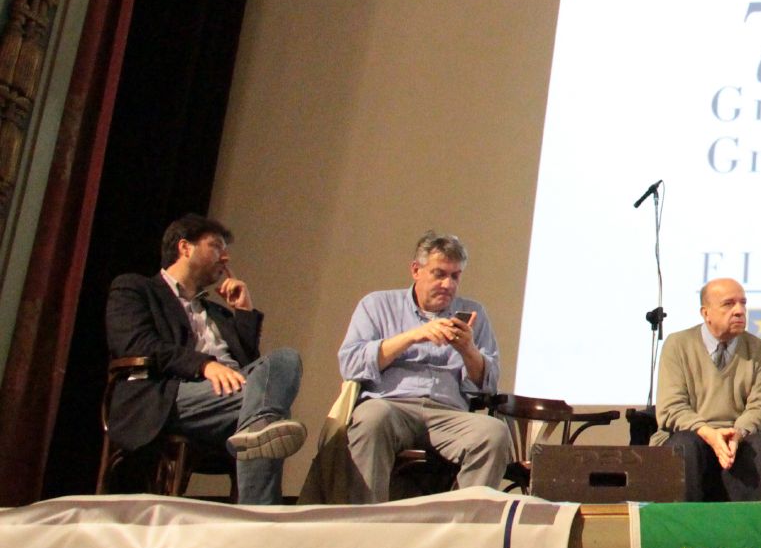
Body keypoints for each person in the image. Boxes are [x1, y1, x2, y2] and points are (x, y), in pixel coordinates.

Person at [103, 214, 307, 504]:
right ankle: (259, 512)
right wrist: (204, 365)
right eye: (216, 246)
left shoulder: (217, 313)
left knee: (285, 360)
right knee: (270, 412)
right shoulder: (135, 289)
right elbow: (136, 344)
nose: (225, 257)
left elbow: (253, 367)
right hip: (168, 393)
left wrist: (244, 312)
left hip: (229, 396)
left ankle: (257, 430)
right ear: (185, 247)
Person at [336, 231, 511, 501]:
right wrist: (412, 337)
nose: (448, 284)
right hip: (392, 406)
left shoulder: (474, 313)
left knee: (494, 433)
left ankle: (462, 521)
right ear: (416, 270)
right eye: (439, 274)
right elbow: (351, 363)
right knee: (371, 419)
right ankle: (367, 518)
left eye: (455, 276)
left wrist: (468, 350)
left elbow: (488, 384)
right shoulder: (377, 305)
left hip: (447, 412)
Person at [653, 277, 761, 500]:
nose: (739, 311)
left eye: (743, 303)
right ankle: (682, 522)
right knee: (685, 445)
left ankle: (760, 521)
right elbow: (671, 408)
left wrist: (737, 434)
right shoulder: (677, 345)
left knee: (759, 446)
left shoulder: (760, 350)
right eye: (728, 304)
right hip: (692, 436)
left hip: (736, 439)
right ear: (706, 313)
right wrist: (708, 433)